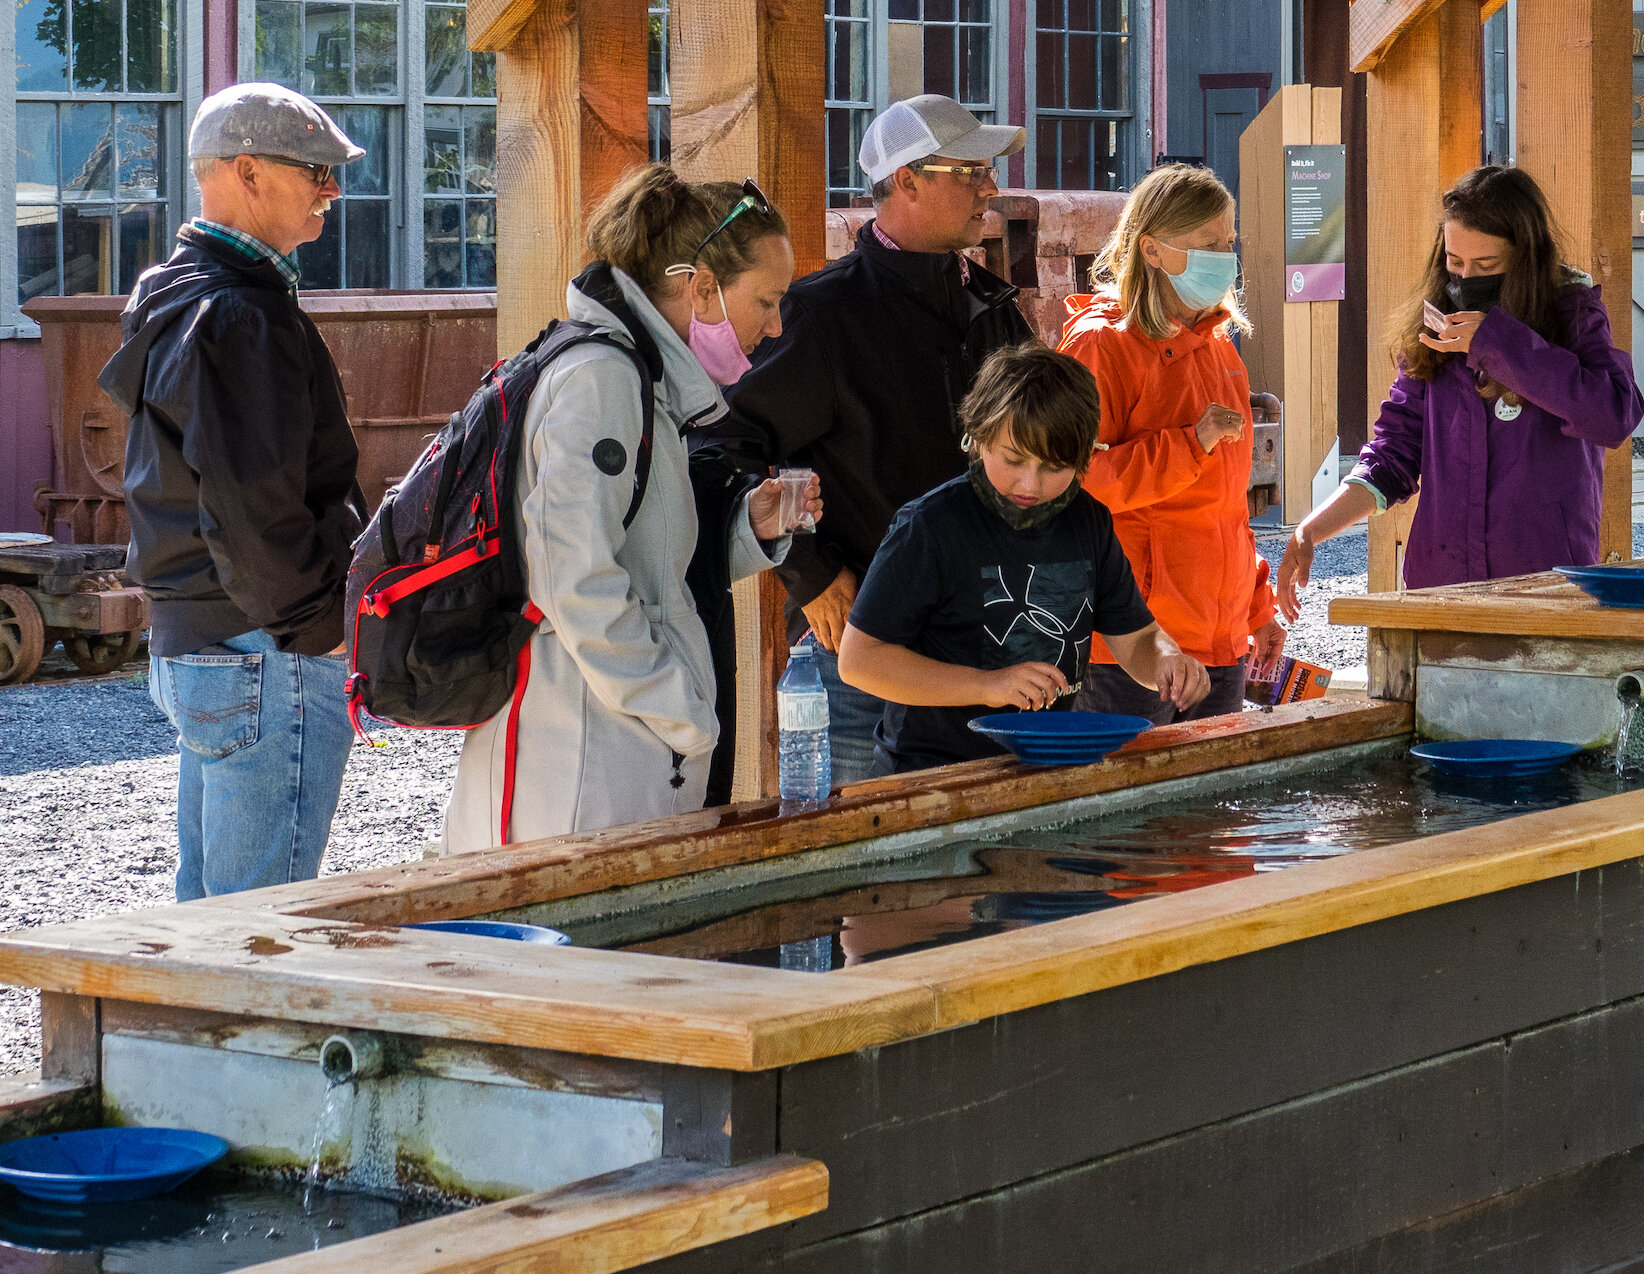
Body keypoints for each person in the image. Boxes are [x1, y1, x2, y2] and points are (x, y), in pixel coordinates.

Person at [442, 166, 816, 852]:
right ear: (701, 286)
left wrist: (744, 530)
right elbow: (572, 573)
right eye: (767, 299)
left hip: (601, 741)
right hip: (581, 755)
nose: (776, 323)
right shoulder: (605, 379)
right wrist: (679, 711)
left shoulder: (637, 380)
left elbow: (636, 555)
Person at [712, 93, 1034, 784]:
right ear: (908, 181)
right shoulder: (823, 316)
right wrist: (810, 571)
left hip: (989, 642)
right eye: (971, 169)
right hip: (865, 652)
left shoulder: (992, 307)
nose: (992, 186)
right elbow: (728, 448)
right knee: (871, 870)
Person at [99, 83, 368, 901]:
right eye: (317, 169)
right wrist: (319, 632)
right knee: (261, 934)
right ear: (246, 171)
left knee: (210, 922)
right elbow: (255, 509)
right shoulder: (240, 313)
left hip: (205, 641)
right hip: (266, 650)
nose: (332, 188)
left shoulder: (180, 294)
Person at [1276, 166, 1644, 612]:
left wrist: (1499, 344)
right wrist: (1310, 529)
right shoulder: (1434, 330)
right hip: (1441, 588)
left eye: (1486, 266)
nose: (1467, 279)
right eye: (1455, 263)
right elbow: (1392, 456)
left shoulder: (1573, 314)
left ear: (1526, 257)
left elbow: (1612, 414)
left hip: (1544, 590)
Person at [838, 345, 1208, 775]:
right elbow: (859, 660)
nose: (1030, 483)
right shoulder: (930, 526)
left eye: (1055, 467)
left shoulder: (1088, 522)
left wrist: (1168, 660)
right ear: (978, 437)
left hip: (1040, 767)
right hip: (932, 772)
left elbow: (1139, 638)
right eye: (1013, 459)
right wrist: (987, 684)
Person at [1057, 164, 1282, 726]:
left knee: (1212, 811)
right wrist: (1191, 444)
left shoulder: (1217, 341)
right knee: (1124, 808)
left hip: (1218, 634)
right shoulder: (1100, 346)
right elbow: (1069, 485)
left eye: (1228, 241)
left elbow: (1226, 506)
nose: (1225, 256)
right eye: (1208, 244)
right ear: (1151, 250)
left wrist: (1258, 608)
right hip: (1132, 641)